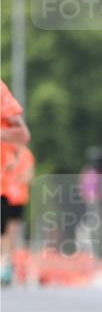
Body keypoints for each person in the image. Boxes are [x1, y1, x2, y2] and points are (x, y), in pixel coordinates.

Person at [1, 81, 30, 277]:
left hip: (14, 195)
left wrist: (15, 176)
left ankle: (6, 263)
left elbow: (22, 134)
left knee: (8, 233)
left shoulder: (25, 155)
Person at [1, 144, 35, 285]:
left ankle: (8, 263)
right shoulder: (3, 150)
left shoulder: (25, 154)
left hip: (18, 198)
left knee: (13, 233)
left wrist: (15, 173)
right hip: (4, 196)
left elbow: (29, 176)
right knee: (3, 233)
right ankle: (4, 262)